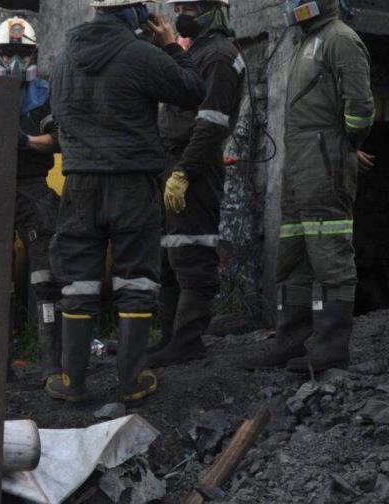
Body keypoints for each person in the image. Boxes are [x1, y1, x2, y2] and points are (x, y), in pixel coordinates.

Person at [47, 0, 205, 403]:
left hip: (79, 183)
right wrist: (170, 46)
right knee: (135, 278)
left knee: (78, 280)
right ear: (135, 12)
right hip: (131, 182)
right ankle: (132, 381)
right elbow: (192, 91)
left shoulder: (64, 58)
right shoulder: (141, 54)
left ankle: (72, 381)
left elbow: (57, 116)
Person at [249, 0, 373, 372]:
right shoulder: (306, 41)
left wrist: (343, 146)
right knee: (294, 255)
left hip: (323, 164)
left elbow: (360, 110)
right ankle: (291, 341)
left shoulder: (340, 39)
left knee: (328, 254)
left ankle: (330, 347)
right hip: (299, 164)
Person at [146, 0, 244, 368]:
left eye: (189, 8)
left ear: (211, 10)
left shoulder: (218, 55)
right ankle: (170, 337)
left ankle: (188, 341)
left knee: (192, 252)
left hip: (195, 164)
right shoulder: (198, 51)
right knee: (169, 253)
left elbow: (212, 123)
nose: (181, 15)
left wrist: (185, 171)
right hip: (174, 160)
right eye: (180, 7)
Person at [0, 17, 63, 386]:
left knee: (46, 274)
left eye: (22, 52)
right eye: (8, 52)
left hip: (34, 186)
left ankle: (52, 363)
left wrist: (25, 141)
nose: (15, 59)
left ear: (33, 54)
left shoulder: (45, 93)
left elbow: (56, 140)